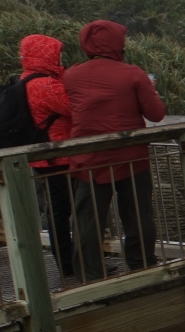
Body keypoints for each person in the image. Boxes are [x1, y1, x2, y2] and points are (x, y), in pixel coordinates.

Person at [64, 20, 165, 277]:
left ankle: (89, 273)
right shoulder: (133, 73)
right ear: (117, 43)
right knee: (137, 214)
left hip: (88, 158)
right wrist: (149, 91)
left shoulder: (71, 74)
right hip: (131, 157)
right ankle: (141, 264)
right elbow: (157, 114)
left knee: (87, 219)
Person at [16, 34, 79, 276]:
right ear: (46, 55)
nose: (59, 58)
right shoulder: (45, 85)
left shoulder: (25, 80)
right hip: (58, 156)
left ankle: (66, 263)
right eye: (56, 54)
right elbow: (74, 107)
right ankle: (71, 264)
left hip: (42, 156)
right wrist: (63, 75)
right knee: (66, 210)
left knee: (57, 209)